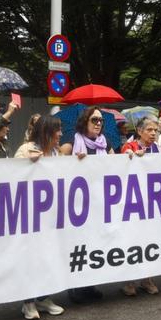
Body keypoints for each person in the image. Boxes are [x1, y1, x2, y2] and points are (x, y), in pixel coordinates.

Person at [13, 116, 67, 319]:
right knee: (30, 257)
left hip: (50, 215)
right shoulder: (26, 149)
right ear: (46, 132)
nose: (60, 134)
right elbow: (9, 174)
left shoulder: (55, 152)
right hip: (29, 215)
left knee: (48, 255)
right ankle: (28, 302)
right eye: (57, 130)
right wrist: (27, 163)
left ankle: (43, 298)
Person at [61, 106, 113, 303]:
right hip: (77, 203)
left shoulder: (104, 142)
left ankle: (90, 285)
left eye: (100, 120)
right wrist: (74, 162)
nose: (98, 123)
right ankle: (75, 287)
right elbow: (55, 163)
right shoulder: (72, 139)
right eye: (94, 120)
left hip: (99, 202)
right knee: (78, 244)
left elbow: (116, 164)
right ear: (85, 121)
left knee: (94, 243)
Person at [120, 116, 161, 296]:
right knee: (132, 240)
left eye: (156, 130)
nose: (153, 133)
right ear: (139, 131)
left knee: (150, 240)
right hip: (133, 203)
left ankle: (147, 278)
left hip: (152, 202)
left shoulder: (157, 149)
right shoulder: (129, 148)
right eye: (149, 130)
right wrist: (130, 159)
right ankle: (128, 280)